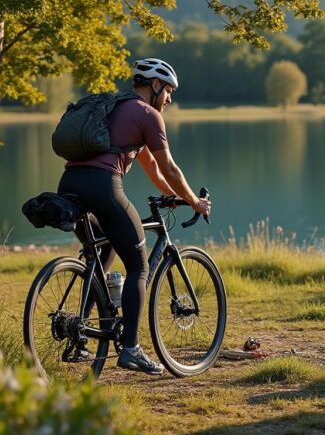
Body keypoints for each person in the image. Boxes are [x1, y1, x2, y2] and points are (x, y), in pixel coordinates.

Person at [57, 58, 211, 375]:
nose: (169, 98)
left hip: (69, 184)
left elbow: (153, 169)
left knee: (104, 249)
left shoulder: (115, 106)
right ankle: (131, 349)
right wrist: (194, 201)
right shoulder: (148, 115)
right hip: (103, 187)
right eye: (168, 91)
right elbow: (169, 168)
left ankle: (82, 333)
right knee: (139, 266)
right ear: (154, 85)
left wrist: (174, 195)